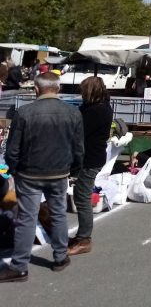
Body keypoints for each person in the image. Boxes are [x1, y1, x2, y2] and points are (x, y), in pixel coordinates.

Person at [1, 72, 83, 283]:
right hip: (58, 172)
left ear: (36, 89)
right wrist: (73, 170)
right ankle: (60, 257)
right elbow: (78, 149)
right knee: (58, 214)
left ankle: (19, 266)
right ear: (58, 89)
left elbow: (12, 149)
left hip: (29, 173)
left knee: (27, 219)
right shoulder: (72, 113)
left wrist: (14, 169)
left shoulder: (24, 112)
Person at [68, 76, 113, 257]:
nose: (81, 95)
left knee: (82, 197)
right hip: (92, 156)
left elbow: (79, 132)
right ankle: (82, 235)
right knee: (81, 195)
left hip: (90, 158)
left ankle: (84, 238)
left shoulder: (97, 111)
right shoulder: (97, 107)